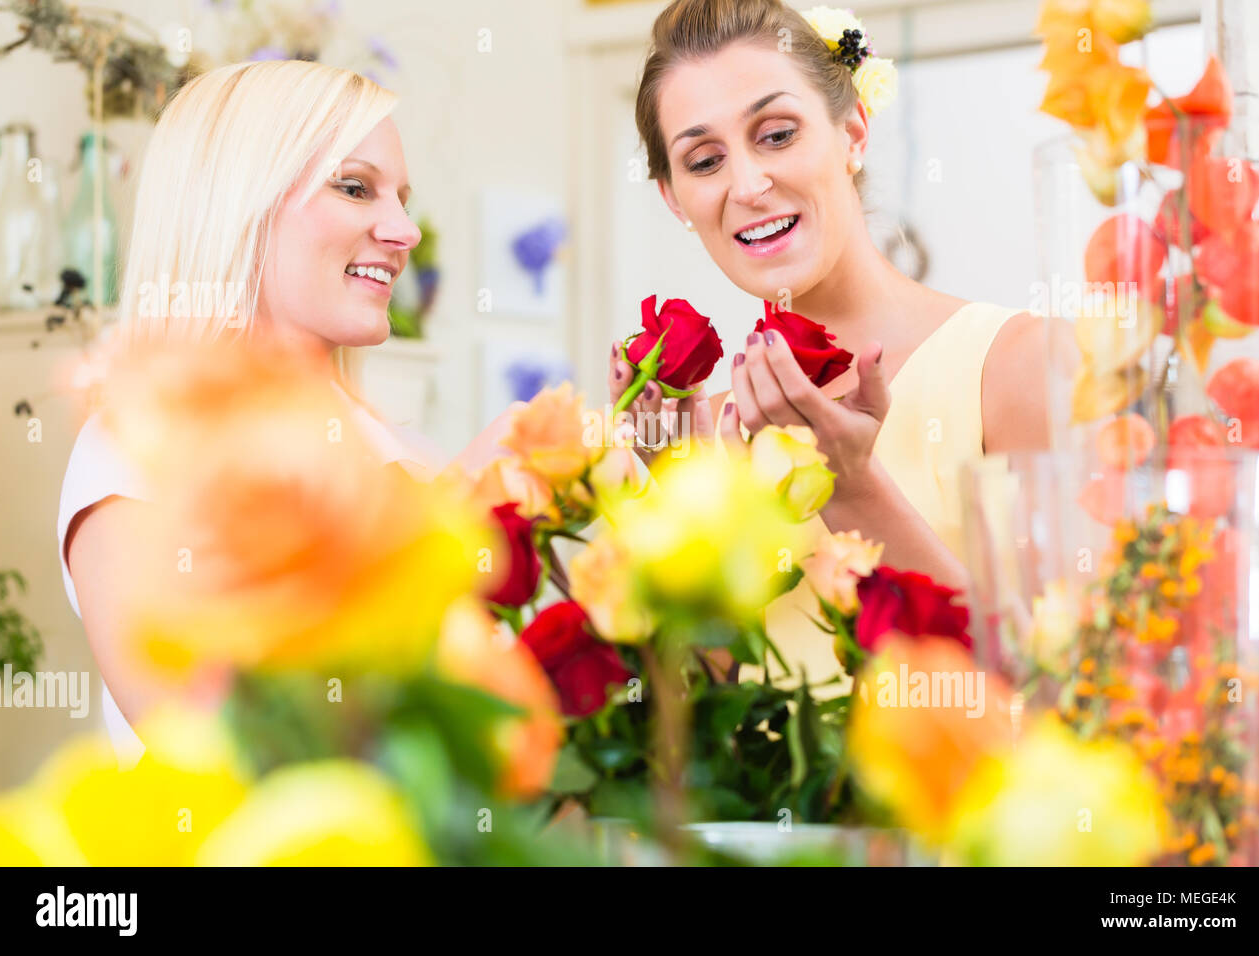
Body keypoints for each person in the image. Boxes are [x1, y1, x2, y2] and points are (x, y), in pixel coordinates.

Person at [58, 60, 512, 762]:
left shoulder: (415, 459)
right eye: (356, 187)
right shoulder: (133, 454)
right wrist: (456, 511)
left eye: (401, 198)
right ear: (237, 203)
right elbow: (221, 750)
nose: (404, 230)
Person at [609, 0, 1068, 686]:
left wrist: (852, 488)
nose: (748, 184)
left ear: (853, 131)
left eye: (776, 134)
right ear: (675, 199)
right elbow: (736, 705)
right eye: (705, 160)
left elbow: (1056, 692)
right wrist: (677, 491)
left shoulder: (1018, 364)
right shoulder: (714, 431)